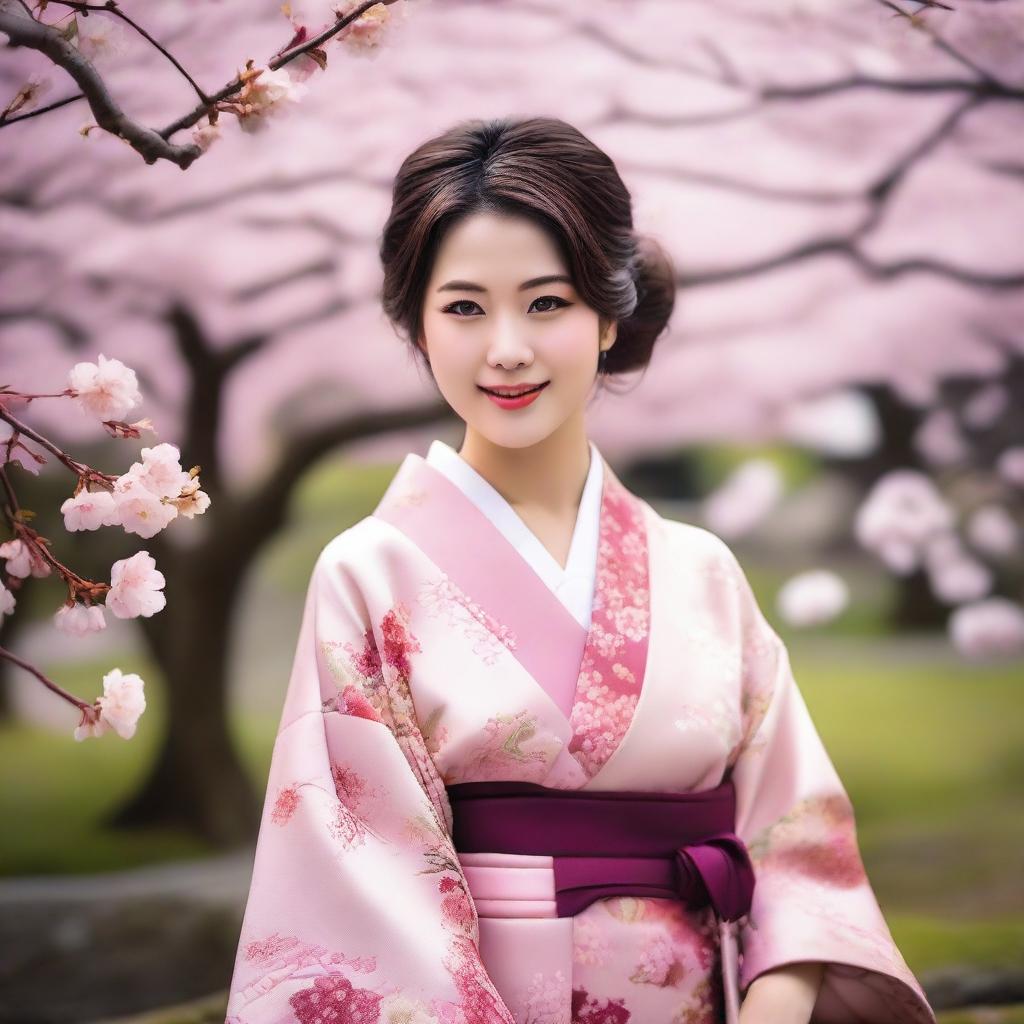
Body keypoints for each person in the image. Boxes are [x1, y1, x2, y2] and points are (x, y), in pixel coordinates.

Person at [225, 116, 936, 1024]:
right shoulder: (368, 574)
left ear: (609, 316)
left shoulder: (701, 571)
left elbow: (798, 847)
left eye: (548, 303)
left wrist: (775, 1005)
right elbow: (360, 882)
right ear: (417, 326)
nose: (507, 348)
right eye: (465, 307)